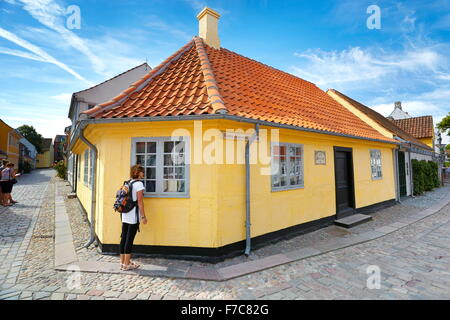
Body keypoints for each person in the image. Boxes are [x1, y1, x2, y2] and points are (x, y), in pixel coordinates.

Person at [119, 164, 147, 271]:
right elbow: (140, 202)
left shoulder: (128, 182)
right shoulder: (139, 184)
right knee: (129, 239)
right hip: (133, 215)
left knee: (124, 237)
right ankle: (127, 264)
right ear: (137, 173)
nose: (143, 173)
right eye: (142, 171)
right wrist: (143, 216)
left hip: (125, 213)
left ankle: (122, 263)